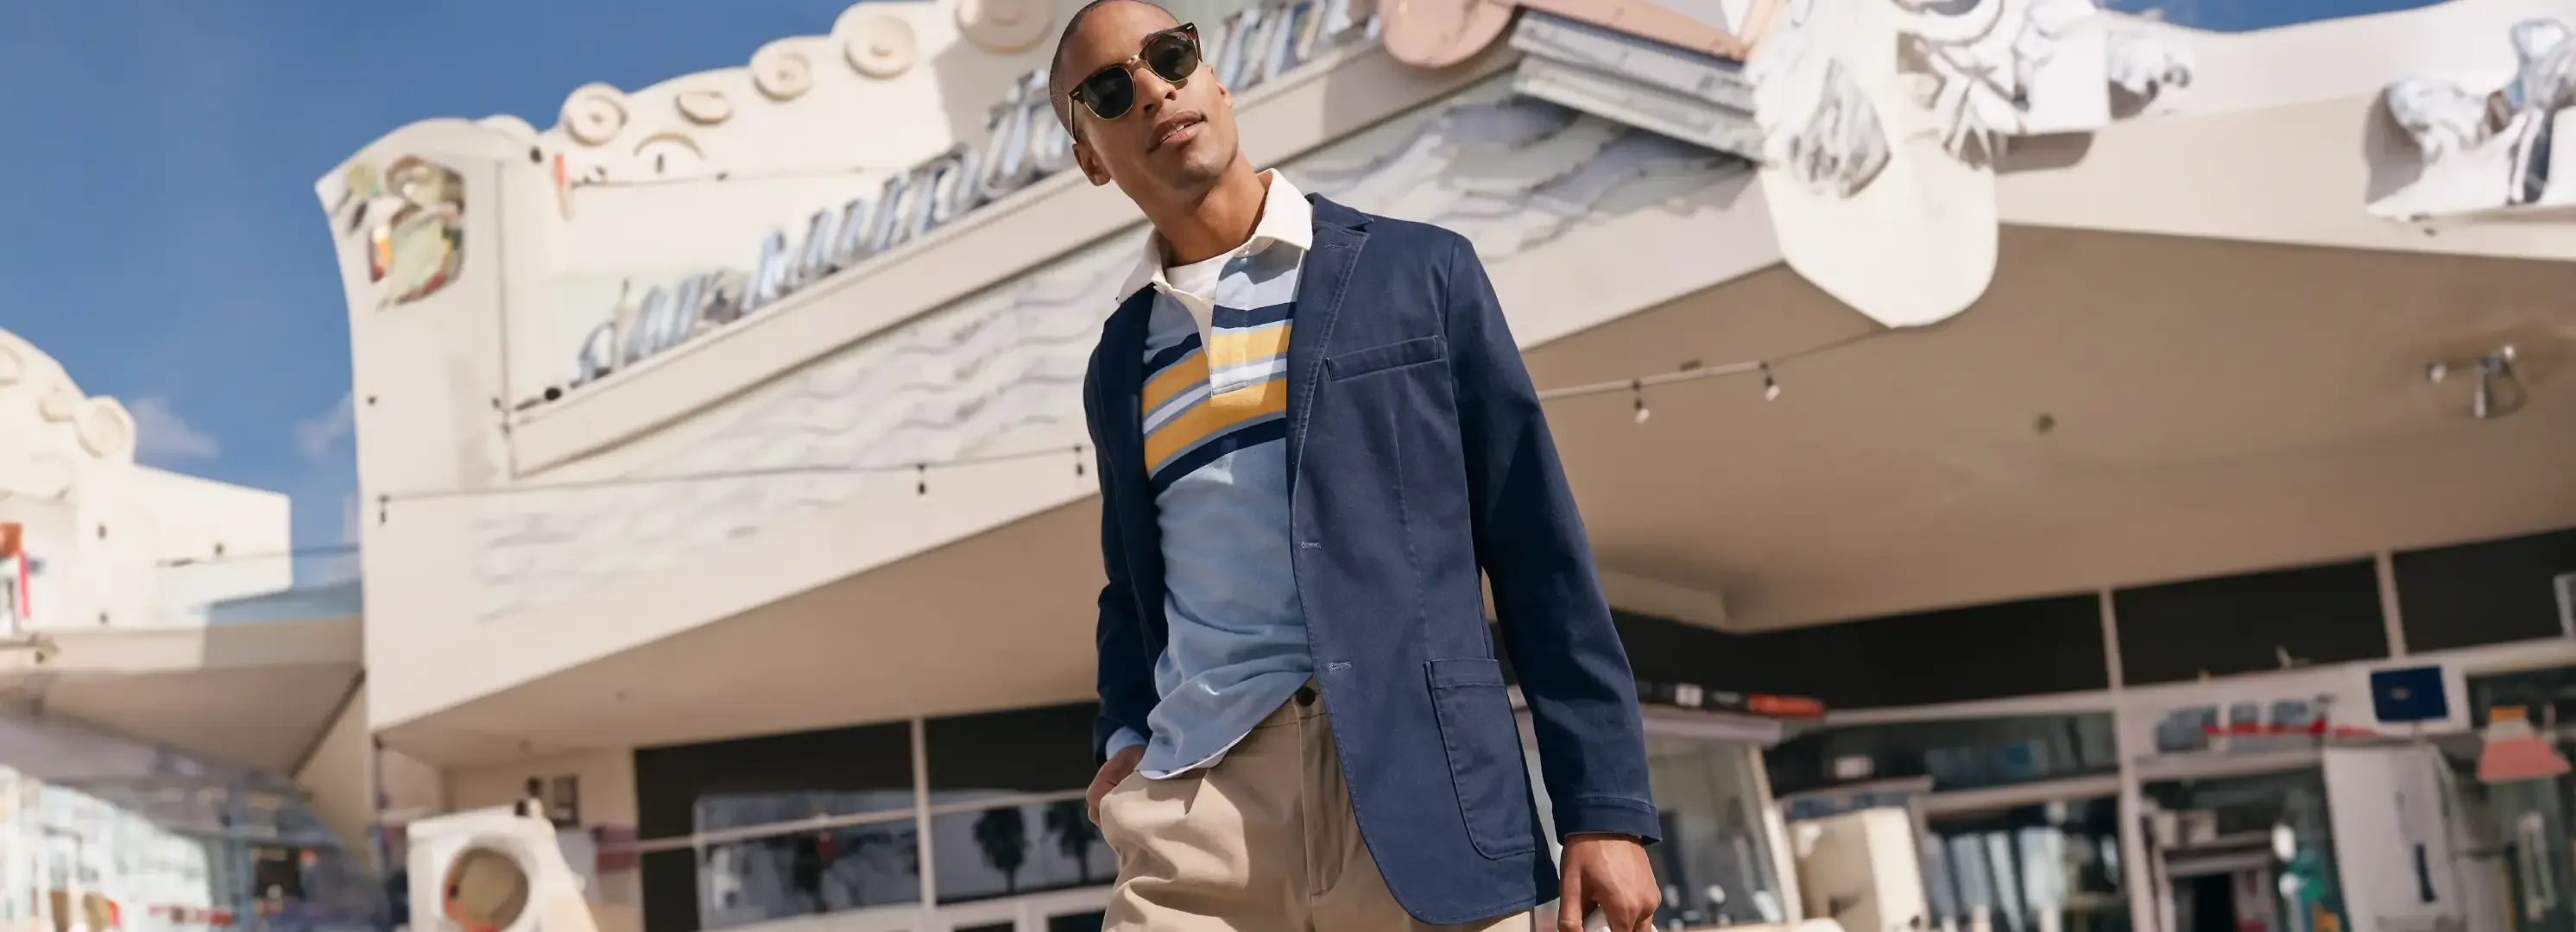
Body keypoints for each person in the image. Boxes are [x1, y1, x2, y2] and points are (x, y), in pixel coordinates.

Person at [1058, 3, 1664, 929]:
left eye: (1170, 56)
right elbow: (1132, 587)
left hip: (1422, 794)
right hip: (1196, 810)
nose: (1151, 90)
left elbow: (1535, 541)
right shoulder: (1118, 361)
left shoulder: (1418, 272)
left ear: (1216, 80)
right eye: (1108, 89)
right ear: (1091, 158)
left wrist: (1604, 804)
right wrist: (1124, 732)